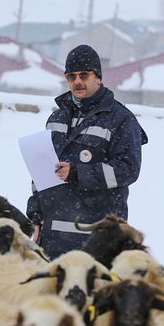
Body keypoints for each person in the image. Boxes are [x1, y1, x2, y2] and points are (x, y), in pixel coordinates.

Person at [26, 44, 148, 259]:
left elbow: (128, 170)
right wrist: (34, 214)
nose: (78, 81)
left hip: (98, 236)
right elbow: (41, 172)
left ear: (98, 78)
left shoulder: (121, 119)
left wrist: (79, 173)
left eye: (84, 75)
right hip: (53, 235)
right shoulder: (56, 119)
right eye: (71, 76)